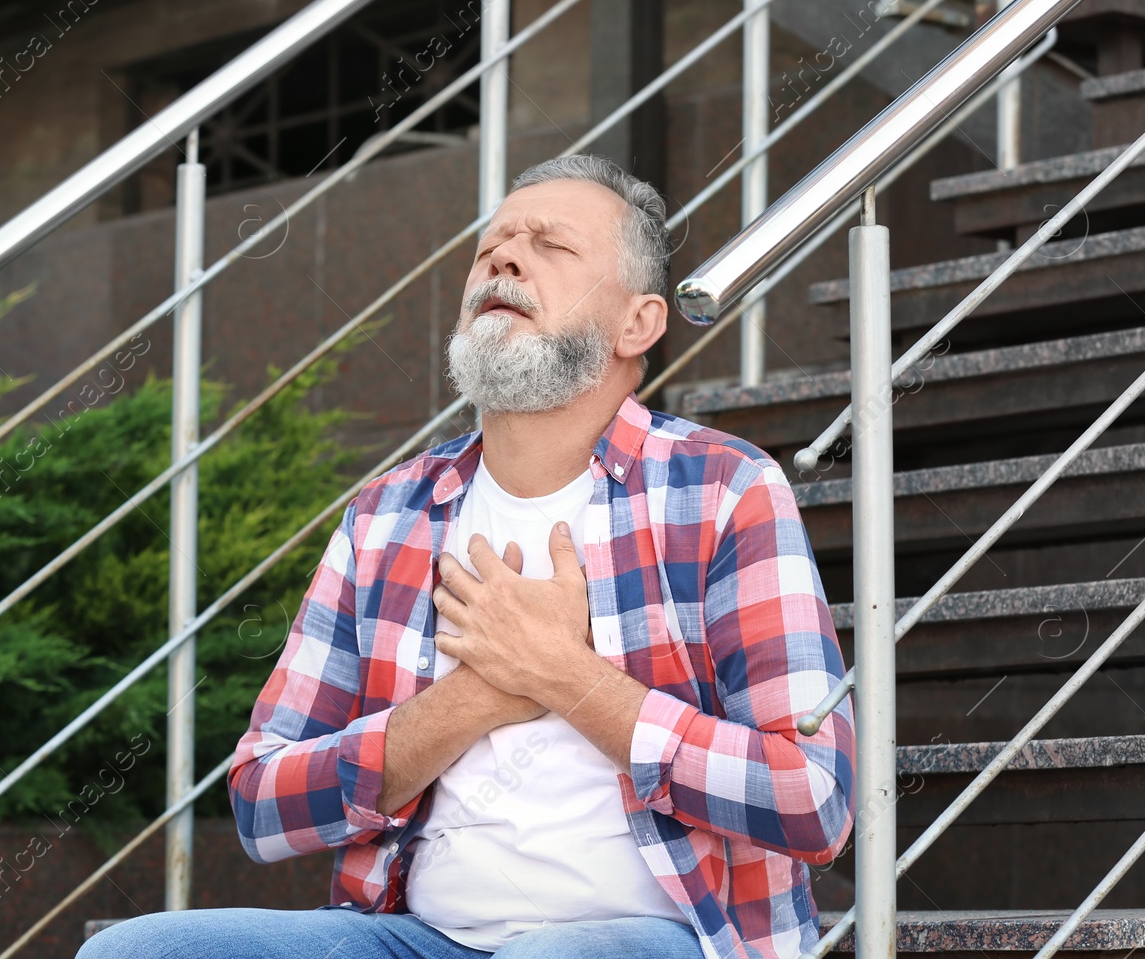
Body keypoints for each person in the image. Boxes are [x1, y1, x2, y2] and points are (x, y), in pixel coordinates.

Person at [77, 155, 855, 959]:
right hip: (418, 940)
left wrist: (566, 676)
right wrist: (477, 696)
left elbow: (814, 798)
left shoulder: (725, 490)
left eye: (550, 246)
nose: (504, 258)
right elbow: (262, 803)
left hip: (667, 939)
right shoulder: (387, 516)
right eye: (492, 245)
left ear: (639, 324)